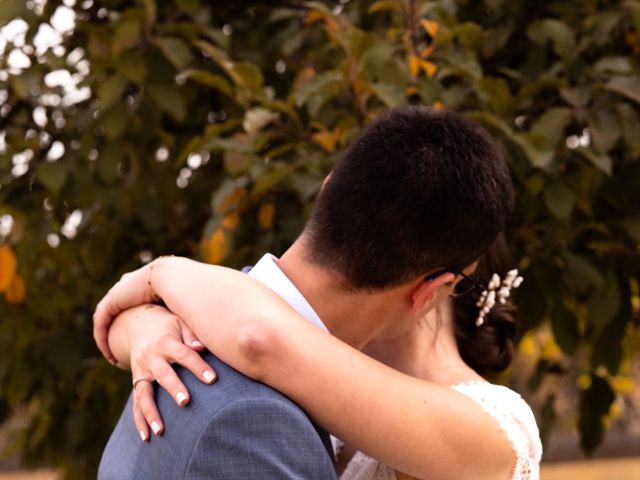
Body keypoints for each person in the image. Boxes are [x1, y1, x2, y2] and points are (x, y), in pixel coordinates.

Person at [94, 106, 529, 479]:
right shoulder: (243, 403)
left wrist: (160, 276)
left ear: (328, 189)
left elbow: (258, 337)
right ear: (433, 288)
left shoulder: (205, 327)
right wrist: (143, 318)